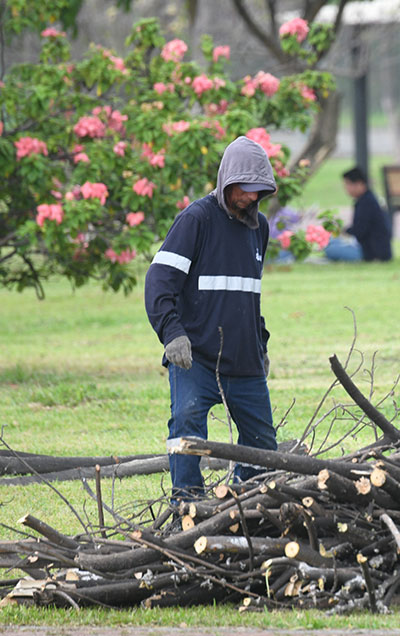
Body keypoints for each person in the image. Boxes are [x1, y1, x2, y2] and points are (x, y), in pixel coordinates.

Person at [145, 135, 279, 503]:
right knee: (187, 426)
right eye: (244, 189)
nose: (250, 198)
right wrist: (172, 333)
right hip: (197, 356)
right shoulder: (196, 220)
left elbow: (248, 294)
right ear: (227, 181)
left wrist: (260, 343)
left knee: (263, 444)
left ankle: (245, 502)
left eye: (258, 191)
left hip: (245, 358)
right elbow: (159, 280)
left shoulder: (260, 228)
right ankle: (186, 504)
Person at [324, 167, 392, 262]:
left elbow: (359, 230)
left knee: (330, 249)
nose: (346, 188)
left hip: (371, 253)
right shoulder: (368, 199)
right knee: (331, 241)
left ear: (359, 184)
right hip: (375, 250)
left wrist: (344, 231)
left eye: (348, 184)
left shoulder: (366, 203)